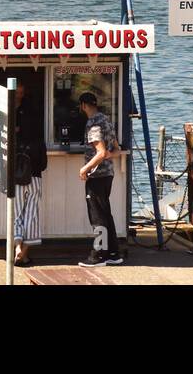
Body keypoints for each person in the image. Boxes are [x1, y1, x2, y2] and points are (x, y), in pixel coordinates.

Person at [77, 91, 122, 266]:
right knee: (105, 214)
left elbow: (101, 152)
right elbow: (116, 150)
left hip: (97, 176)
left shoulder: (93, 123)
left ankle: (98, 256)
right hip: (108, 174)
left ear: (83, 105)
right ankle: (113, 253)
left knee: (97, 217)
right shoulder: (106, 120)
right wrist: (108, 155)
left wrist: (85, 168)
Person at [12, 84, 47, 266]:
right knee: (31, 215)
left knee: (17, 214)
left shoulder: (16, 143)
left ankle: (18, 247)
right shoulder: (39, 140)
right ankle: (23, 253)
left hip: (18, 178)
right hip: (35, 177)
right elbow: (44, 164)